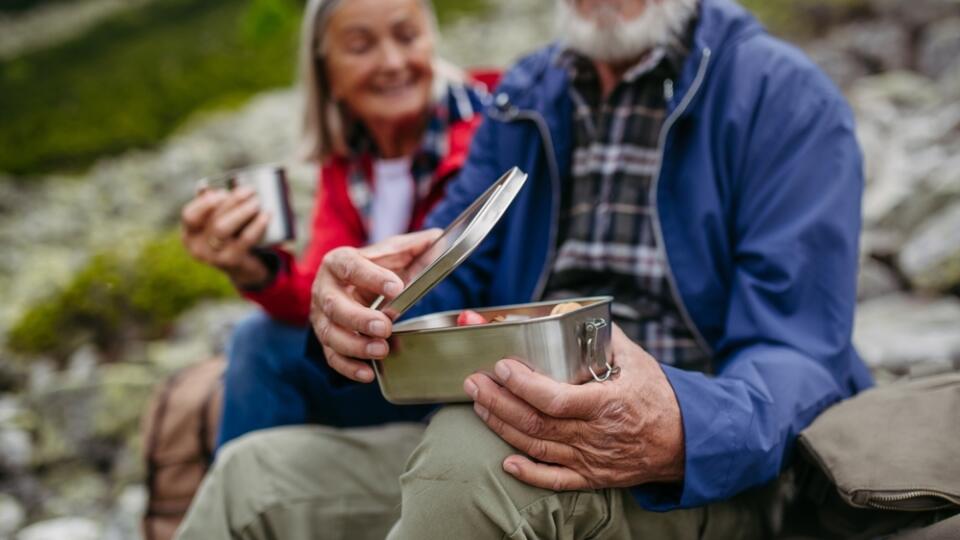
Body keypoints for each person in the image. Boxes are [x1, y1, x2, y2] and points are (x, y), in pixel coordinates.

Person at [178, 0, 874, 538]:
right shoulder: (527, 94)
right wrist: (358, 310)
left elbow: (803, 355)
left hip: (700, 477)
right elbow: (457, 277)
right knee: (251, 477)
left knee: (469, 449)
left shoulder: (783, 98)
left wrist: (682, 429)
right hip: (511, 429)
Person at [178, 0, 494, 447]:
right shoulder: (349, 163)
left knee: (258, 345)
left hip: (455, 371)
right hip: (385, 364)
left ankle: (249, 503)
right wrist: (254, 268)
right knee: (258, 339)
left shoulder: (488, 132)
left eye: (407, 37)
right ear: (327, 72)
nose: (392, 62)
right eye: (361, 46)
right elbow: (322, 300)